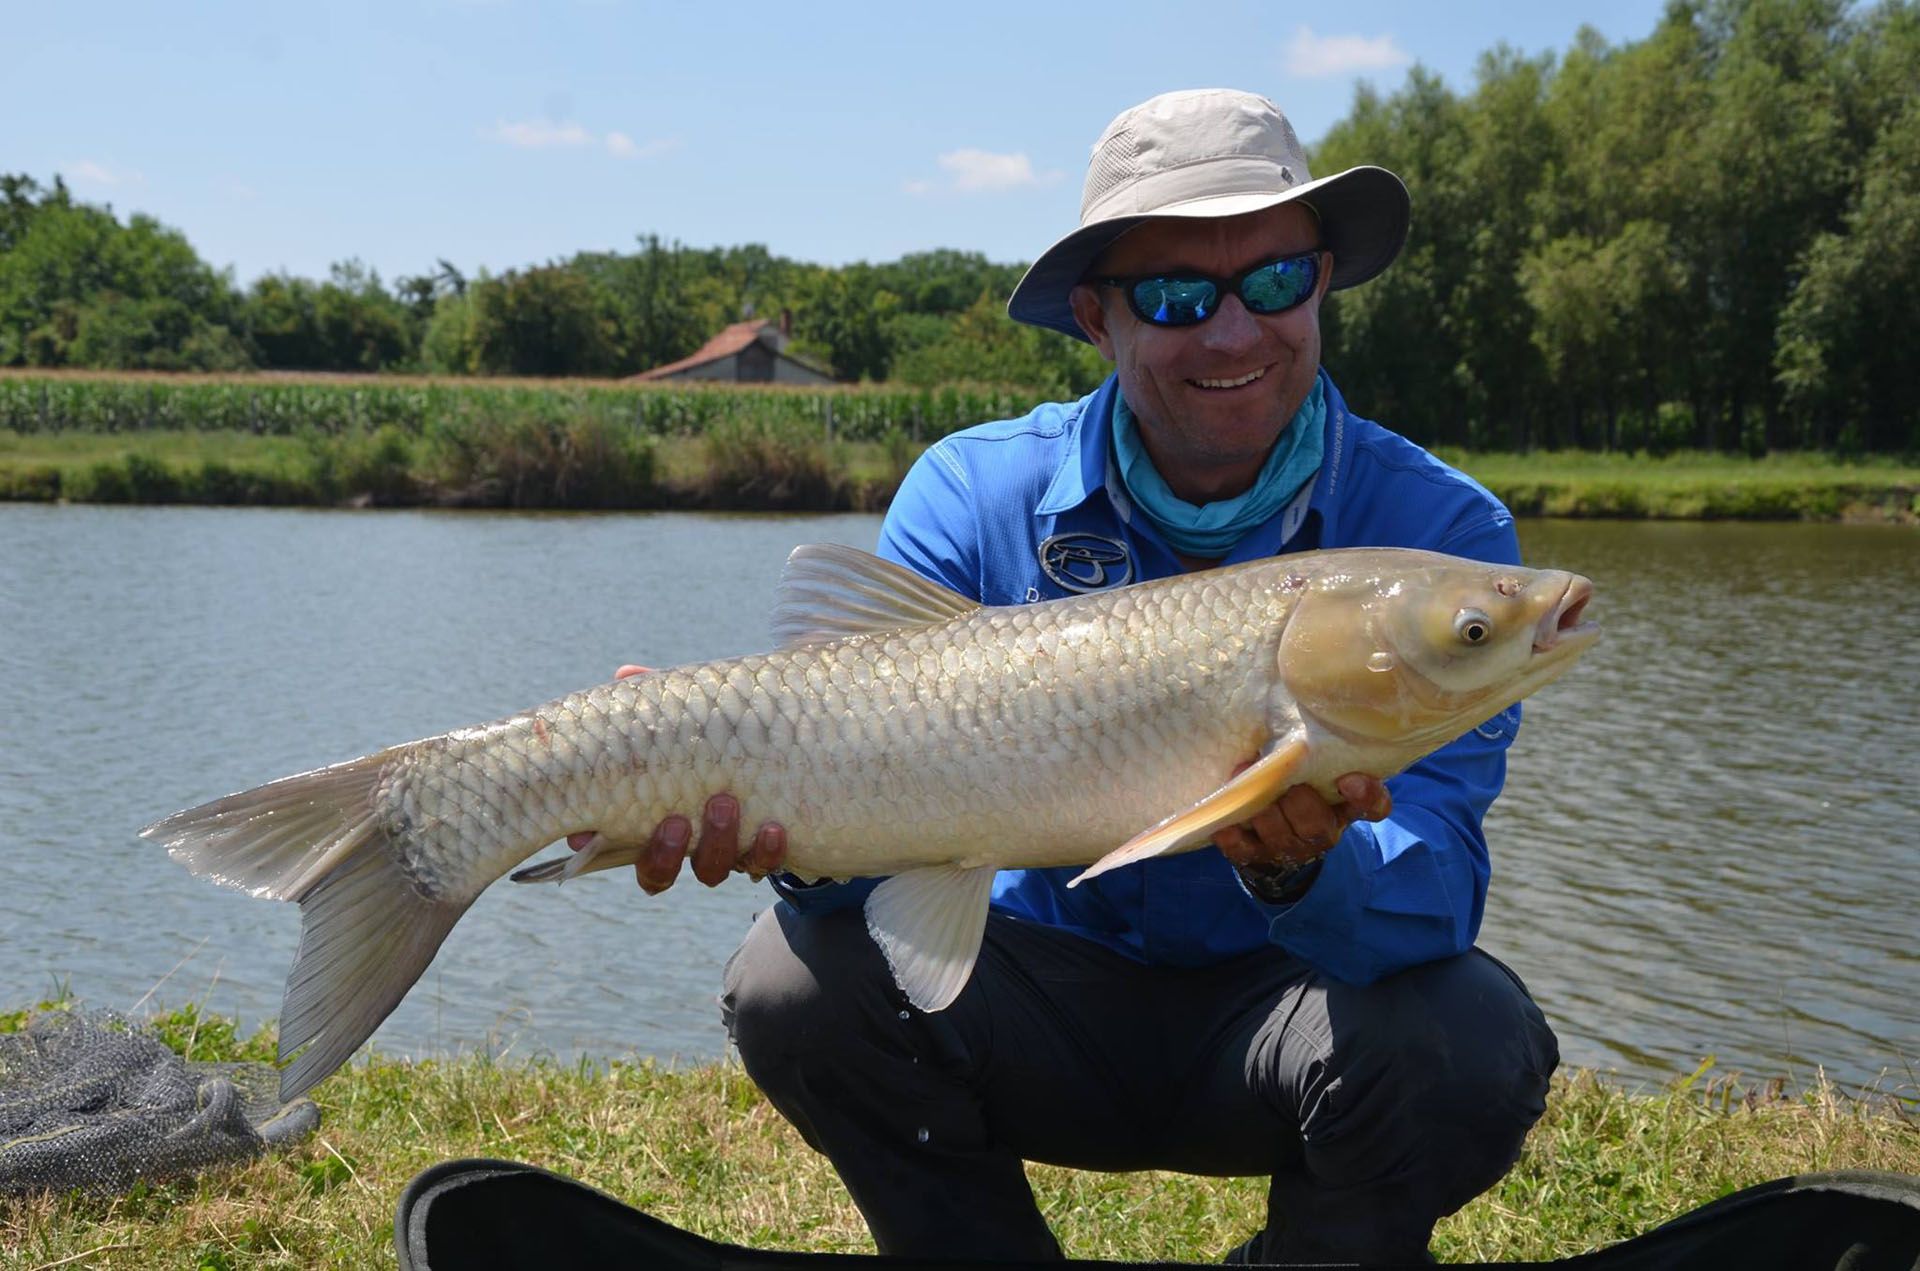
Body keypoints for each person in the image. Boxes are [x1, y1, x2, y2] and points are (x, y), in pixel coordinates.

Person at [577, 89, 1559, 1266]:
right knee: (794, 980)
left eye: (1278, 281)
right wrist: (780, 834)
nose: (1236, 333)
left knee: (1469, 1031)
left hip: (1285, 1013)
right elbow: (869, 887)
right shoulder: (970, 492)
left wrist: (1308, 869)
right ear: (1097, 317)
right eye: (1180, 296)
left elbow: (1437, 889)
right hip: (1026, 996)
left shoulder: (1440, 537)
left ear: (1327, 283)